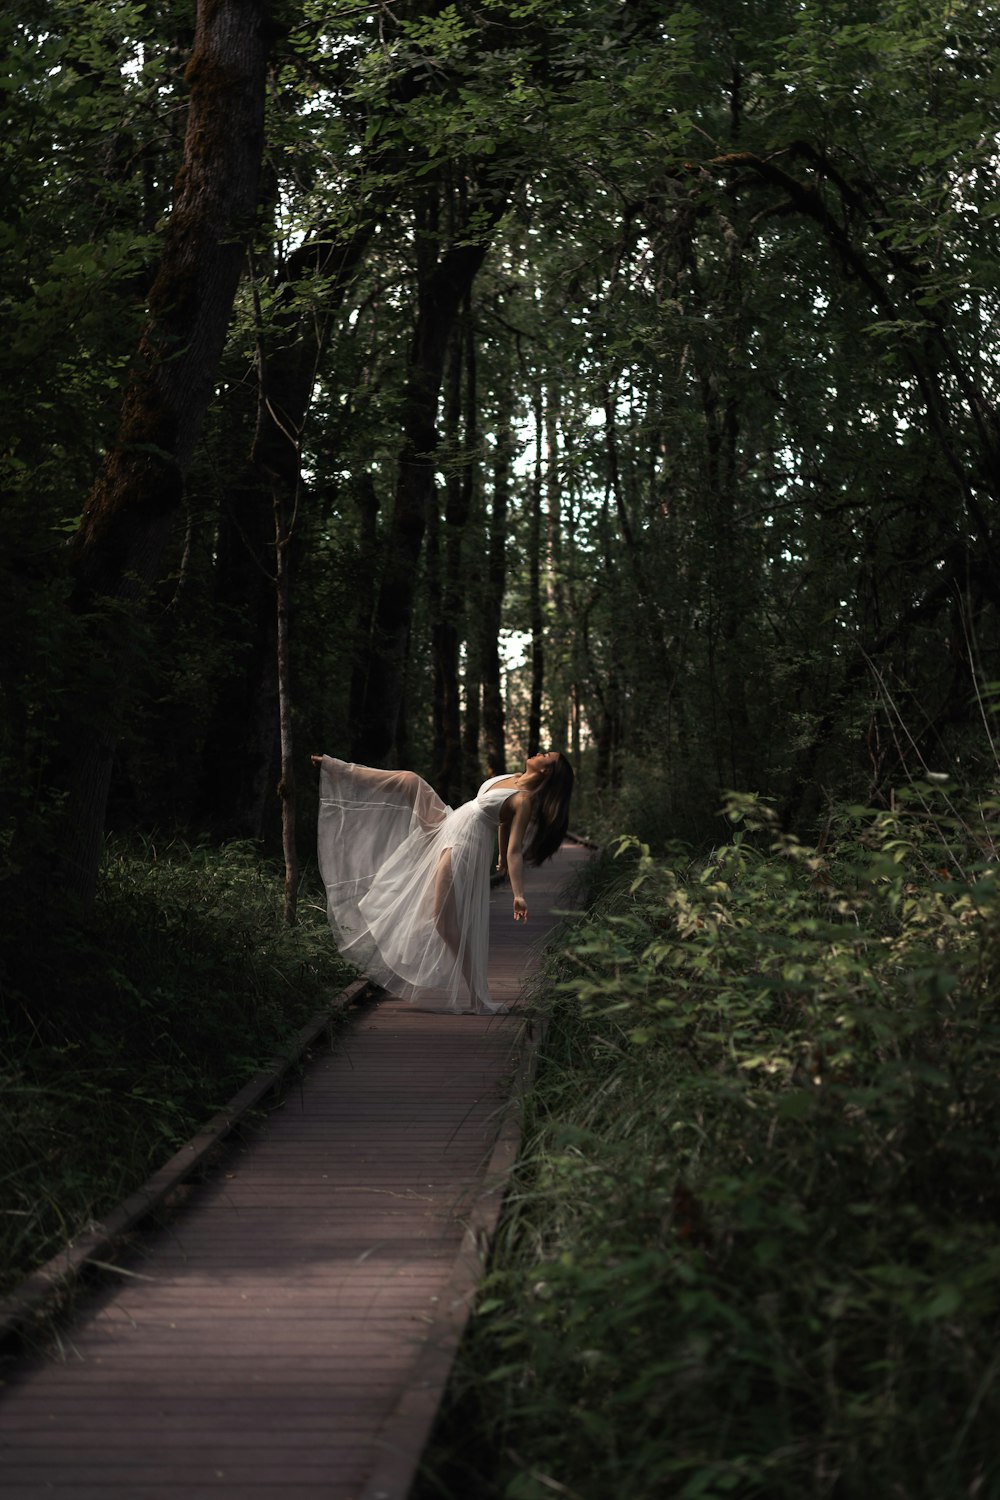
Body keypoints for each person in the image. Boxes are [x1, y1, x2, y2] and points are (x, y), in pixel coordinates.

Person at [311, 750, 574, 1014]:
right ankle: (340, 770)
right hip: (450, 823)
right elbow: (503, 822)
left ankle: (478, 994)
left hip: (464, 844)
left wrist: (518, 893)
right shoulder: (513, 778)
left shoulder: (524, 800)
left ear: (546, 771)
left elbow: (514, 849)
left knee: (442, 919)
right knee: (409, 780)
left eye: (546, 755)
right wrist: (500, 858)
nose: (540, 752)